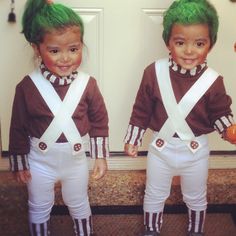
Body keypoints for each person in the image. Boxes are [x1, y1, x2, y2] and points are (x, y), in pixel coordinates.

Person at [124, 0, 236, 235]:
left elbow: (220, 113)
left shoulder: (213, 81)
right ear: (168, 42)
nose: (189, 50)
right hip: (160, 149)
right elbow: (141, 109)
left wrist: (229, 130)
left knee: (196, 195)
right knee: (154, 193)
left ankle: (196, 230)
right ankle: (151, 229)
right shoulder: (153, 72)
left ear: (210, 45)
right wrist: (133, 138)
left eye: (199, 43)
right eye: (180, 42)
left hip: (195, 152)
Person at [8, 0, 109, 235]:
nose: (65, 58)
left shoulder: (88, 84)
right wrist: (19, 160)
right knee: (39, 205)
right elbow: (19, 126)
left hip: (76, 162)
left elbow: (99, 121)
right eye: (54, 51)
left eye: (73, 49)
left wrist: (100, 156)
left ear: (81, 45)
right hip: (40, 162)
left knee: (78, 202)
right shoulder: (27, 86)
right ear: (37, 49)